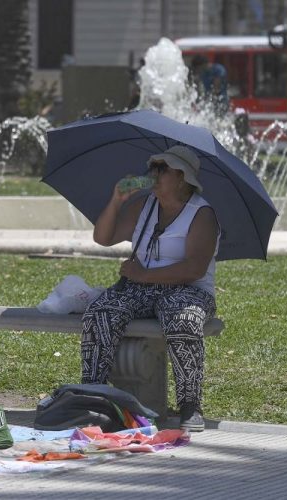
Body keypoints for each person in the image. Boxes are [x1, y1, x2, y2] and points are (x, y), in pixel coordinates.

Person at [81, 145, 220, 432]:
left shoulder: (202, 214)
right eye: (152, 168)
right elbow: (103, 237)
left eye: (162, 169)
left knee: (183, 320)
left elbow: (194, 268)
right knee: (101, 312)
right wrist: (117, 201)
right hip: (140, 285)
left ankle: (189, 405)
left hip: (188, 289)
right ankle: (93, 395)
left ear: (182, 177)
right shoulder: (144, 206)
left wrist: (144, 275)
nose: (153, 174)